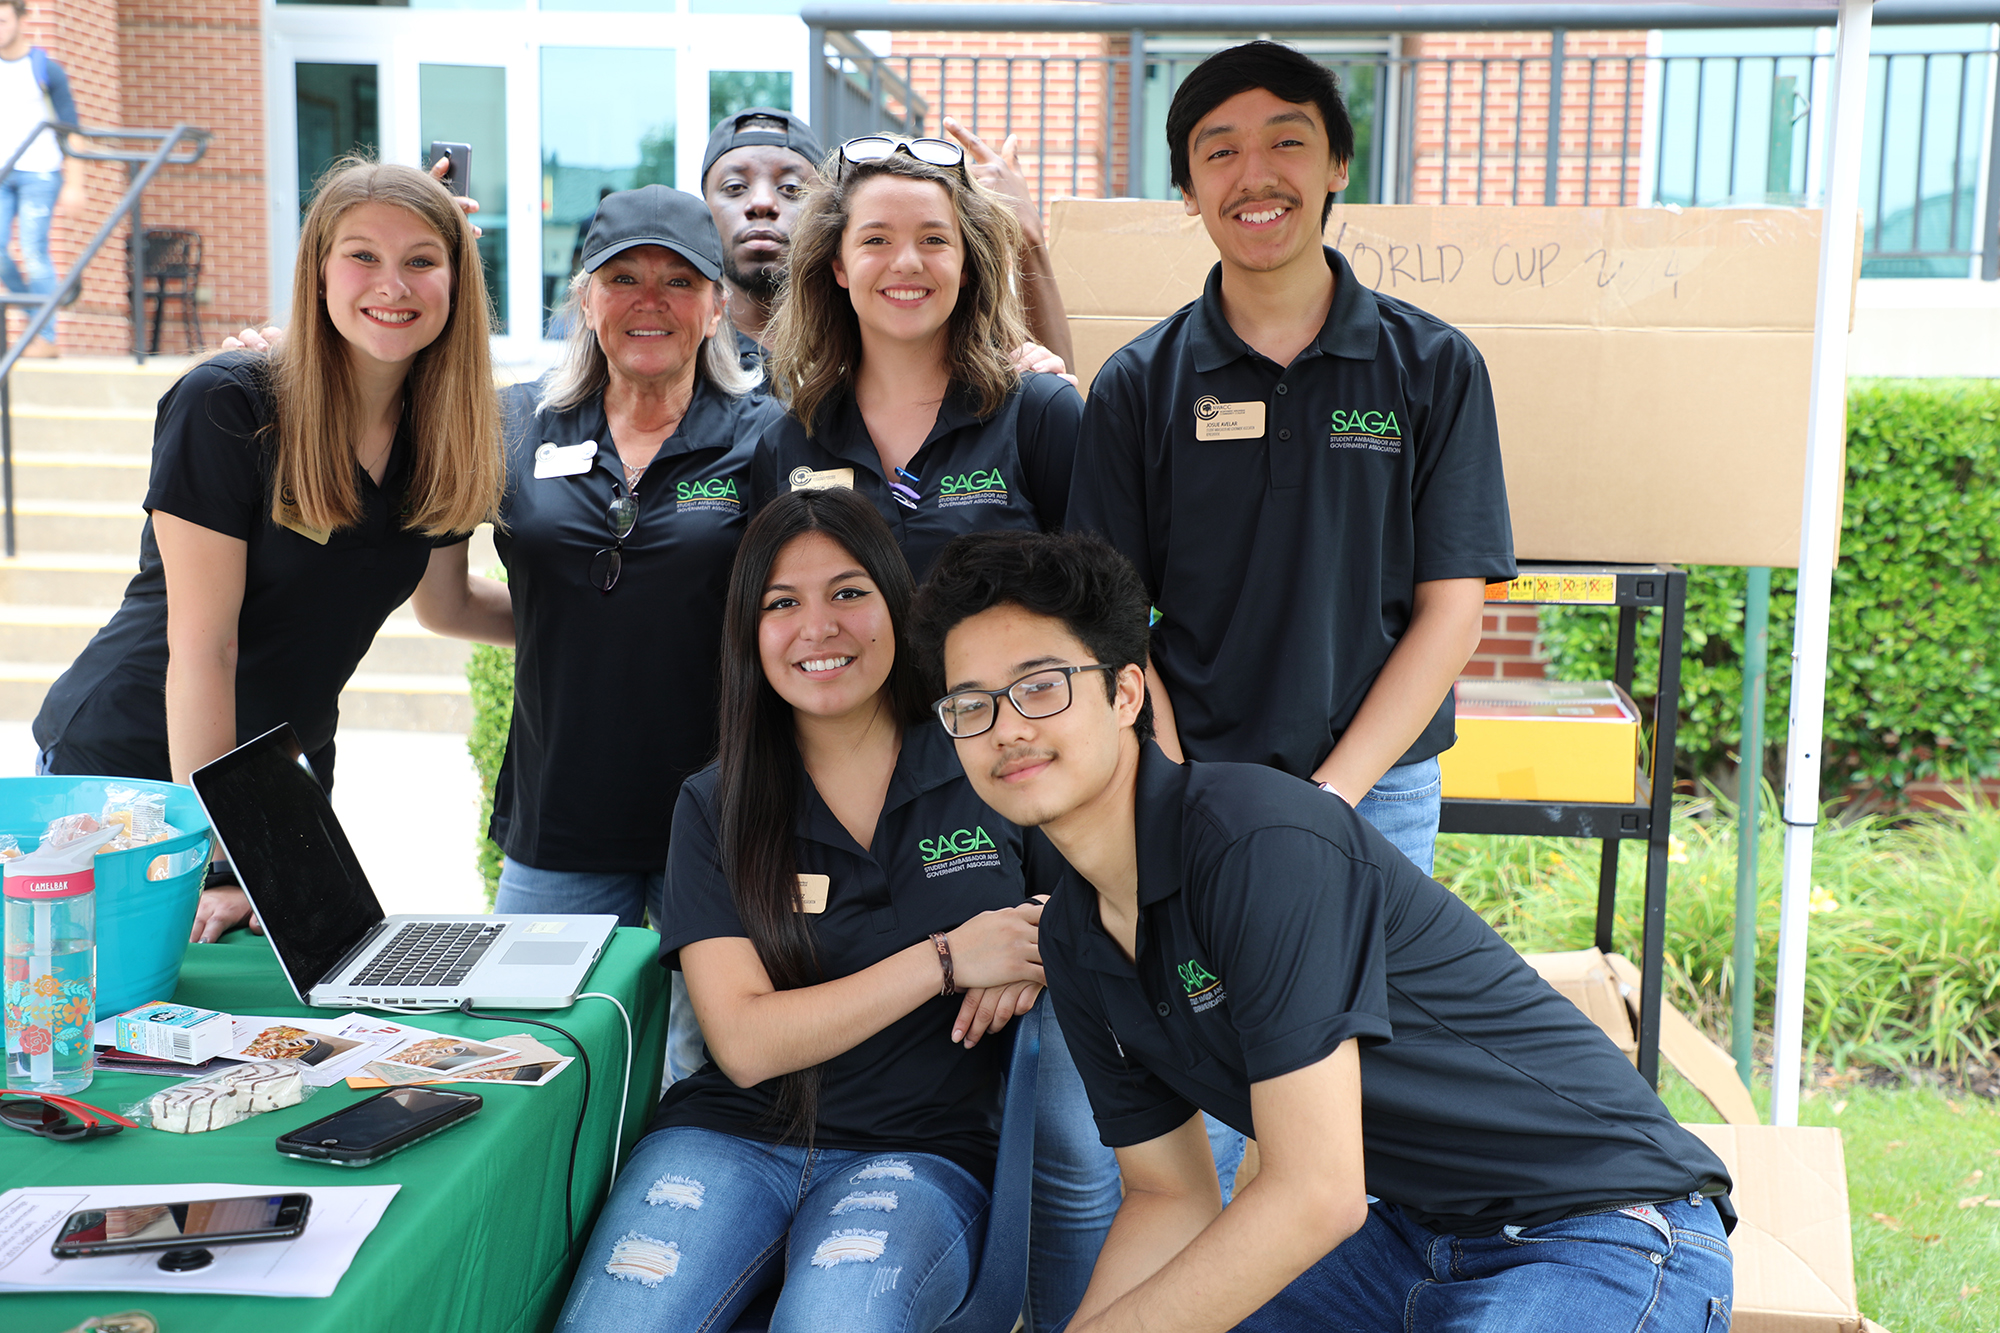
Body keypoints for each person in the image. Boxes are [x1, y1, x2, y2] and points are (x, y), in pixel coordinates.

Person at [912, 528, 1735, 1333]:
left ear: (1127, 693)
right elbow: (1170, 1196)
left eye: (1040, 686)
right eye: (971, 705)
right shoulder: (1076, 939)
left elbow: (1317, 1191)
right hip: (1409, 1246)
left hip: (1600, 1227)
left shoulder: (1259, 843)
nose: (1007, 727)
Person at [556, 487, 1091, 1332]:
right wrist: (948, 958)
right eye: (782, 602)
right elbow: (744, 1042)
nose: (819, 627)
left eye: (848, 592)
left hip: (921, 1152)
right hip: (727, 1139)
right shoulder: (715, 804)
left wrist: (1038, 941)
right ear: (749, 631)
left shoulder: (986, 753)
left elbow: (1104, 896)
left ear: (895, 603)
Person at [1067, 39, 1515, 879]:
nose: (1256, 174)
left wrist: (1333, 793)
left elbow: (1453, 613)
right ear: (1189, 190)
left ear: (1339, 163)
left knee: (1363, 1011)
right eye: (1222, 150)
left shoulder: (1434, 367)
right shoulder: (1137, 385)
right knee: (1205, 1008)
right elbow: (1112, 621)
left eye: (1288, 140)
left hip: (1379, 791)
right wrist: (1173, 782)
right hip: (1195, 780)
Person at [31, 157, 509, 941]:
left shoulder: (446, 435)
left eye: (421, 260)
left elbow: (448, 604)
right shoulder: (228, 403)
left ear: (456, 286)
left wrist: (604, 624)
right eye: (362, 256)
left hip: (280, 771)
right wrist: (219, 854)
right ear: (318, 272)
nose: (392, 284)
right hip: (141, 769)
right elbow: (204, 649)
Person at [755, 135, 1083, 583]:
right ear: (840, 265)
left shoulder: (1041, 413)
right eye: (876, 239)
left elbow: (1101, 601)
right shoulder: (787, 442)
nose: (907, 262)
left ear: (966, 264)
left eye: (933, 239)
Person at [701, 106, 1074, 373]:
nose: (762, 203)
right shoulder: (685, 350)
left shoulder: (897, 328)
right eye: (735, 187)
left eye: (790, 188)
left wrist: (1027, 238)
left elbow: (1052, 398)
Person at [0, 0, 83, 357]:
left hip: (40, 171)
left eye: (2, 19)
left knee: (34, 251)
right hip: (3, 174)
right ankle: (37, 319)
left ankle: (45, 337)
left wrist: (76, 182)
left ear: (20, 19)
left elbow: (72, 130)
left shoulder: (44, 69)